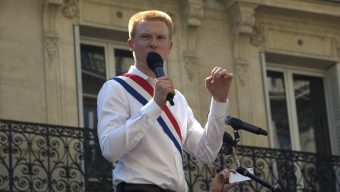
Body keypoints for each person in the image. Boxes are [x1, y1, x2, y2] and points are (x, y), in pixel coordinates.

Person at [97, 10, 233, 192]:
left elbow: (206, 152)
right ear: (131, 44)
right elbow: (110, 149)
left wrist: (219, 100)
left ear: (169, 46)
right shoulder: (116, 87)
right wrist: (155, 105)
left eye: (160, 37)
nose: (153, 43)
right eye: (145, 36)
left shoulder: (178, 98)